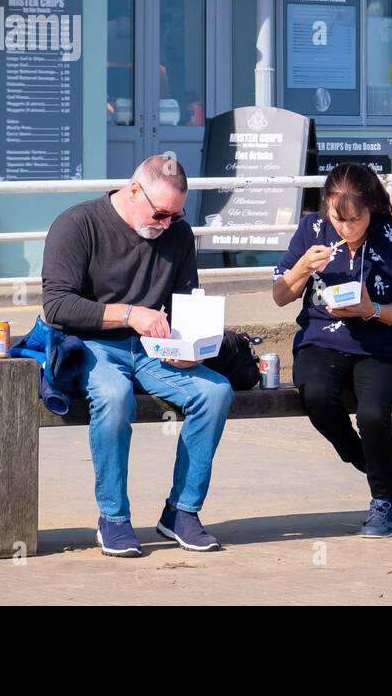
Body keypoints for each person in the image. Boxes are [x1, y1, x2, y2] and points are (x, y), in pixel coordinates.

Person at [42, 155, 234, 557]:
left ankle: (182, 512)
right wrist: (130, 314)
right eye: (161, 214)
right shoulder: (77, 224)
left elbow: (185, 301)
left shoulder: (177, 234)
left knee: (215, 393)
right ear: (133, 190)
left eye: (175, 217)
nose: (166, 224)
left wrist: (190, 345)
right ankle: (113, 517)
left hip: (156, 348)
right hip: (91, 344)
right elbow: (57, 306)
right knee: (114, 397)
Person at [272, 163, 392, 538]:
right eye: (338, 220)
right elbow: (279, 295)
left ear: (371, 207)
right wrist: (303, 268)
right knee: (317, 394)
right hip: (321, 339)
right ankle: (369, 460)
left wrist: (371, 309)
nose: (346, 229)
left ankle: (383, 498)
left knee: (373, 413)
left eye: (354, 220)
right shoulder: (312, 229)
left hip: (382, 343)